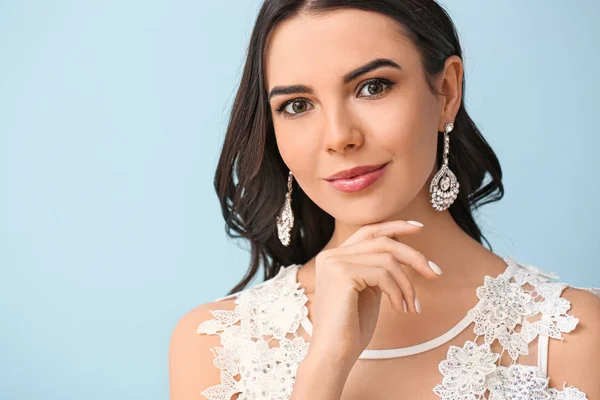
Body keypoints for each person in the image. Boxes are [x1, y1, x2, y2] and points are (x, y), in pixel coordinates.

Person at [168, 1, 600, 399]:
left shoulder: (572, 334)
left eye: (373, 87)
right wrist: (326, 365)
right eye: (298, 105)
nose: (339, 137)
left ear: (446, 92)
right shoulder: (216, 347)